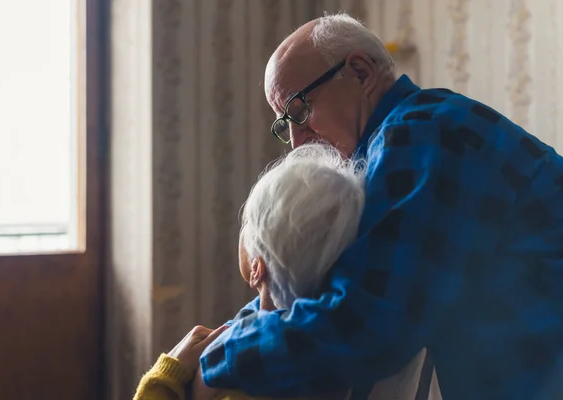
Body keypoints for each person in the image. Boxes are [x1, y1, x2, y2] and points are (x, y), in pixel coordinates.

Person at [198, 12, 563, 400]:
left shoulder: (423, 132)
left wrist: (218, 355)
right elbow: (334, 286)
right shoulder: (394, 146)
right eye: (284, 123)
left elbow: (366, 323)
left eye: (300, 110)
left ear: (359, 72)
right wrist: (233, 332)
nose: (297, 142)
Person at [133, 144, 428, 400]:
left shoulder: (244, 379)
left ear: (257, 268)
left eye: (248, 224)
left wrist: (166, 376)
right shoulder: (327, 353)